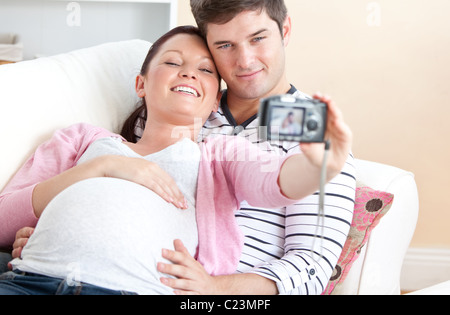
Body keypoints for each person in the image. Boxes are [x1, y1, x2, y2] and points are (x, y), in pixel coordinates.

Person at [0, 26, 352, 295]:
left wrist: (322, 164)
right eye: (172, 62)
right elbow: (3, 220)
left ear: (216, 101)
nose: (188, 73)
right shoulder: (82, 140)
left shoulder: (220, 155)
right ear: (141, 84)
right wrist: (99, 168)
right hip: (27, 280)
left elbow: (274, 184)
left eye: (205, 70)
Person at [153, 0, 357, 295]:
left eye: (258, 39)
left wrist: (213, 289)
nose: (245, 61)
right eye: (225, 45)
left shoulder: (314, 136)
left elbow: (311, 268)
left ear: (284, 30)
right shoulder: (183, 101)